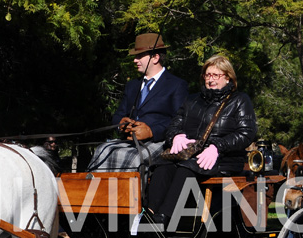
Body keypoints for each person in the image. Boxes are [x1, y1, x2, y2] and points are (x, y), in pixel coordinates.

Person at [146, 54, 258, 226]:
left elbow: (246, 132)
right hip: (190, 154)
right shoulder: (192, 100)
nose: (210, 79)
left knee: (186, 168)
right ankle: (149, 213)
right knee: (163, 165)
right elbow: (174, 124)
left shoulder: (239, 100)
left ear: (227, 78)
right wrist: (176, 136)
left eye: (216, 75)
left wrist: (217, 146)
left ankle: (164, 217)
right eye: (207, 75)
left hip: (224, 157)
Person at [87, 33, 188, 171]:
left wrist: (152, 131)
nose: (135, 60)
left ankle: (127, 193)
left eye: (139, 56)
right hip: (129, 141)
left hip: (158, 142)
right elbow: (118, 115)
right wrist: (121, 124)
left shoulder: (176, 85)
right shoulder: (132, 85)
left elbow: (179, 120)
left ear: (155, 58)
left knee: (133, 159)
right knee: (102, 150)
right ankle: (96, 192)